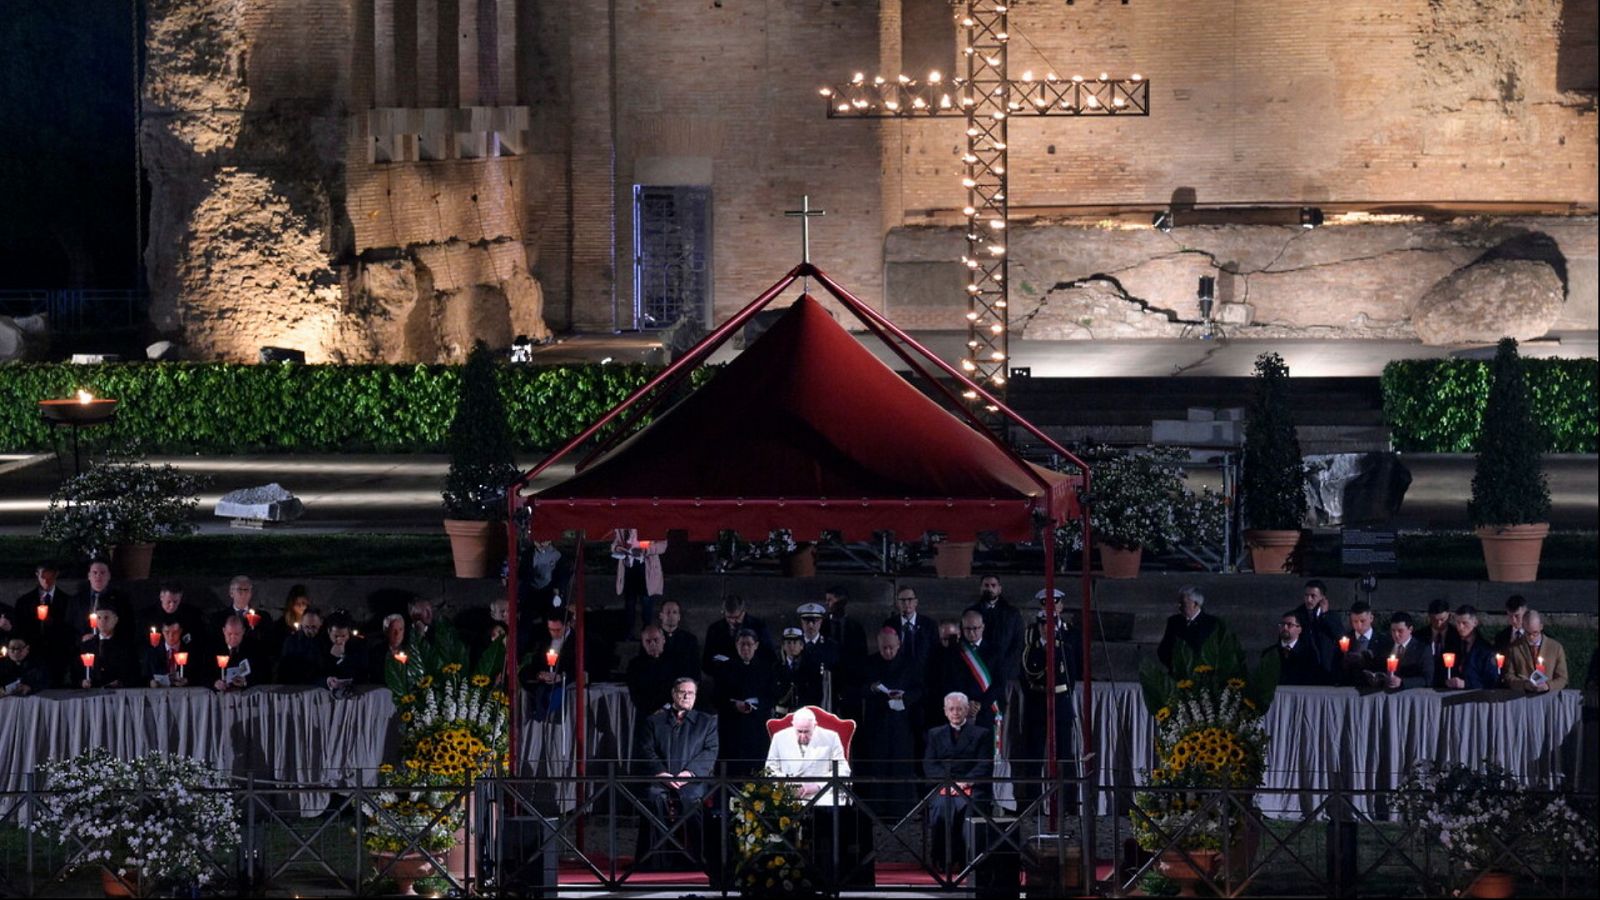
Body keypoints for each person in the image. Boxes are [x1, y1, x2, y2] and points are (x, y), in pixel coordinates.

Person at [634, 678, 719, 866]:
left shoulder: (706, 722)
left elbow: (710, 750)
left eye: (691, 693)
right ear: (674, 694)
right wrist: (662, 773)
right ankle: (657, 860)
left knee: (691, 800)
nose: (687, 696)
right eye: (682, 692)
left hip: (692, 780)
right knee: (655, 799)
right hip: (661, 779)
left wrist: (688, 774)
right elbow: (646, 750)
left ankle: (695, 859)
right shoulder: (654, 721)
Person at [855, 627, 924, 818]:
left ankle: (902, 810)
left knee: (901, 766)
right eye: (884, 648)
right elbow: (859, 688)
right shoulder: (870, 663)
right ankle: (878, 810)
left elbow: (919, 689)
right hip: (877, 724)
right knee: (879, 766)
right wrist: (872, 688)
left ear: (898, 645)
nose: (888, 652)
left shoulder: (910, 664)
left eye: (891, 648)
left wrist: (905, 697)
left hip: (902, 724)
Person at [1021, 589, 1081, 805]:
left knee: (1064, 754)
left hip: (1061, 702)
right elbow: (1025, 675)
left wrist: (1063, 694)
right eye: (1044, 624)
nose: (1048, 628)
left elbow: (1073, 673)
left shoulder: (1065, 643)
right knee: (1034, 754)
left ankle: (1067, 802)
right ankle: (1032, 801)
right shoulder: (1031, 646)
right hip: (1037, 703)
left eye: (1052, 623)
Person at [924, 691, 993, 873]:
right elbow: (930, 764)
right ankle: (941, 858)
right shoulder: (934, 734)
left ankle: (967, 860)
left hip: (971, 785)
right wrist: (948, 783)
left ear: (967, 710)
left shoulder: (982, 734)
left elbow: (985, 763)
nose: (956, 713)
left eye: (960, 709)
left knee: (970, 809)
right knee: (940, 808)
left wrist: (966, 782)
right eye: (952, 709)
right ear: (945, 711)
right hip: (944, 784)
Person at [710, 629, 778, 778]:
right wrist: (734, 705)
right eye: (742, 644)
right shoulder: (725, 668)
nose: (746, 648)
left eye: (749, 644)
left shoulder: (766, 669)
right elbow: (716, 698)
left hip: (757, 729)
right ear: (736, 645)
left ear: (756, 645)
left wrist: (756, 706)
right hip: (732, 730)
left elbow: (772, 697)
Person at [765, 706, 851, 805]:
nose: (803, 736)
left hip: (821, 793)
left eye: (806, 732)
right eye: (799, 731)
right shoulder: (779, 737)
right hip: (789, 793)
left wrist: (818, 785)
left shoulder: (831, 737)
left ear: (815, 726)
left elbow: (843, 768)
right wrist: (789, 786)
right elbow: (770, 769)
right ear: (793, 725)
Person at [939, 610, 1004, 731]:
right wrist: (966, 702)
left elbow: (999, 683)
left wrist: (980, 705)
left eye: (976, 628)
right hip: (960, 711)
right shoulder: (953, 651)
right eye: (967, 629)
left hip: (986, 711)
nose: (972, 633)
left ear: (983, 627)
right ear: (962, 629)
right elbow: (948, 682)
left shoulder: (994, 650)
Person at [968, 576, 1024, 706]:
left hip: (1006, 674)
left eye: (993, 585)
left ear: (1000, 589)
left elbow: (1018, 643)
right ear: (981, 588)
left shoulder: (1012, 614)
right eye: (986, 585)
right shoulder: (971, 613)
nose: (990, 589)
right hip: (979, 672)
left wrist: (1004, 667)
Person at [612, 528, 667, 640]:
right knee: (629, 602)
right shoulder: (623, 526)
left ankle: (647, 634)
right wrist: (618, 548)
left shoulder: (652, 525)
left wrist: (646, 550)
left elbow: (662, 545)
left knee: (646, 601)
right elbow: (615, 542)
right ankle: (628, 633)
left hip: (646, 567)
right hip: (628, 567)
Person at [1156, 585, 1223, 672]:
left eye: (1183, 603)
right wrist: (1175, 666)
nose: (1179, 606)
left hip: (1203, 674)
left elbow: (1218, 651)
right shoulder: (1174, 622)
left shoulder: (1212, 623)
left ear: (1195, 604)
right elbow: (1164, 648)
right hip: (1178, 674)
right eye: (1179, 603)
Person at [1505, 609, 1570, 694]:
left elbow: (1563, 678)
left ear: (1541, 627)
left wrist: (1548, 685)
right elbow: (1509, 676)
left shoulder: (1555, 648)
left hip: (1548, 697)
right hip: (1523, 698)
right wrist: (1524, 684)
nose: (1531, 637)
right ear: (1523, 627)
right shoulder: (1514, 648)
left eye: (1535, 633)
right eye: (1528, 633)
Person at [703, 595, 773, 672]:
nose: (733, 621)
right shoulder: (714, 629)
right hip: (724, 677)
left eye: (736, 617)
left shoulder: (758, 627)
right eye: (729, 617)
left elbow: (769, 655)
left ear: (743, 612)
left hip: (752, 675)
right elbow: (707, 661)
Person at [796, 602, 843, 710]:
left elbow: (838, 675)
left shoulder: (831, 646)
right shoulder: (793, 644)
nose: (811, 625)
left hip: (823, 702)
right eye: (807, 621)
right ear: (802, 622)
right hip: (800, 702)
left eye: (815, 621)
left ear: (821, 622)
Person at [1268, 611, 1332, 686]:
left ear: (1299, 629)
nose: (1285, 628)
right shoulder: (1269, 653)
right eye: (1282, 624)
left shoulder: (1309, 654)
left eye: (1289, 625)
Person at [1443, 605, 1500, 690]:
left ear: (1475, 623)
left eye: (1464, 623)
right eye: (1458, 623)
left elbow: (1491, 681)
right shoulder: (1453, 644)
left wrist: (1466, 684)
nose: (1460, 627)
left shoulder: (1485, 650)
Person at [79, 608, 139, 688]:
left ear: (115, 620)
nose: (102, 621)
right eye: (99, 618)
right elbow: (77, 671)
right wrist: (82, 682)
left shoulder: (126, 645)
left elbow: (134, 672)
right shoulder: (88, 645)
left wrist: (121, 682)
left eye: (106, 617)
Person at [1339, 600, 1393, 688]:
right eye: (1355, 622)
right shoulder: (1345, 640)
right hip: (1349, 686)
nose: (1359, 626)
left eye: (1362, 621)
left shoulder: (1383, 641)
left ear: (1371, 618)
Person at [627, 625, 679, 716]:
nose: (652, 644)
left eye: (656, 640)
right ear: (643, 643)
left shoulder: (676, 662)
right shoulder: (634, 665)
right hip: (646, 716)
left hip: (671, 714)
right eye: (648, 641)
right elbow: (636, 695)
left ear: (663, 639)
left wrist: (665, 709)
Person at [1375, 612, 1432, 691]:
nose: (1396, 635)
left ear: (1410, 629)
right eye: (1393, 631)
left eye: (1400, 631)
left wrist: (1403, 682)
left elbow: (1428, 679)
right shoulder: (1385, 645)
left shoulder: (1422, 649)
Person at [883, 585, 937, 669]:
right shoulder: (890, 624)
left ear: (916, 602)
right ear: (897, 603)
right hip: (897, 673)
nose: (906, 603)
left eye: (910, 599)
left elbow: (934, 652)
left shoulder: (929, 624)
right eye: (903, 600)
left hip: (923, 674)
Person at [138, 583, 207, 645]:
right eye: (169, 602)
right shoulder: (147, 615)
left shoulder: (191, 614)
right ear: (161, 597)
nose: (172, 606)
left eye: (175, 602)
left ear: (180, 598)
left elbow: (198, 637)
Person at [214, 615, 267, 691]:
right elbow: (205, 674)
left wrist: (246, 682)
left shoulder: (254, 648)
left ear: (243, 631)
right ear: (224, 631)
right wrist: (215, 683)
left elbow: (263, 674)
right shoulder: (215, 648)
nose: (233, 637)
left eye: (237, 634)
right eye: (229, 634)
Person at [318, 612, 368, 691]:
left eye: (343, 636)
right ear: (329, 631)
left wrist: (342, 657)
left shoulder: (358, 645)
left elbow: (362, 672)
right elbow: (316, 672)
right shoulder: (321, 645)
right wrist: (327, 681)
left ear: (349, 633)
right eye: (336, 636)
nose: (339, 640)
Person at [774, 626, 817, 715]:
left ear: (801, 646)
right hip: (782, 715)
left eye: (795, 642)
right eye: (788, 643)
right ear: (783, 646)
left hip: (805, 715)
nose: (791, 646)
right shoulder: (776, 668)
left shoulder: (810, 668)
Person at [278, 607, 328, 684]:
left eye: (314, 627)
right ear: (302, 624)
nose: (310, 631)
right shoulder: (291, 641)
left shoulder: (324, 641)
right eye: (307, 627)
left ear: (320, 623)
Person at [1289, 580, 1342, 652]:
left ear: (1322, 598)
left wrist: (1325, 615)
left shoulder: (1332, 616)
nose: (1309, 599)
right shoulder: (1296, 615)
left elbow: (1340, 636)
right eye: (1306, 595)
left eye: (1313, 596)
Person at [143, 619, 196, 687]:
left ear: (180, 631)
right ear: (162, 631)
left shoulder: (190, 651)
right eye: (167, 632)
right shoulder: (152, 652)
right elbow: (144, 676)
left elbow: (198, 674)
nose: (171, 636)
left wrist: (187, 680)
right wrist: (150, 682)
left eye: (175, 632)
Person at [656, 598, 701, 677]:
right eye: (668, 612)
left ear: (679, 617)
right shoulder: (651, 638)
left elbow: (695, 668)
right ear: (661, 615)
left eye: (675, 612)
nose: (671, 615)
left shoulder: (690, 639)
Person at [1421, 598, 1458, 689]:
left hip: (1449, 684)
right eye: (1434, 620)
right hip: (1425, 684)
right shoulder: (1420, 636)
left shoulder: (1457, 635)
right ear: (1429, 617)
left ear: (1449, 616)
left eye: (1442, 619)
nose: (1439, 623)